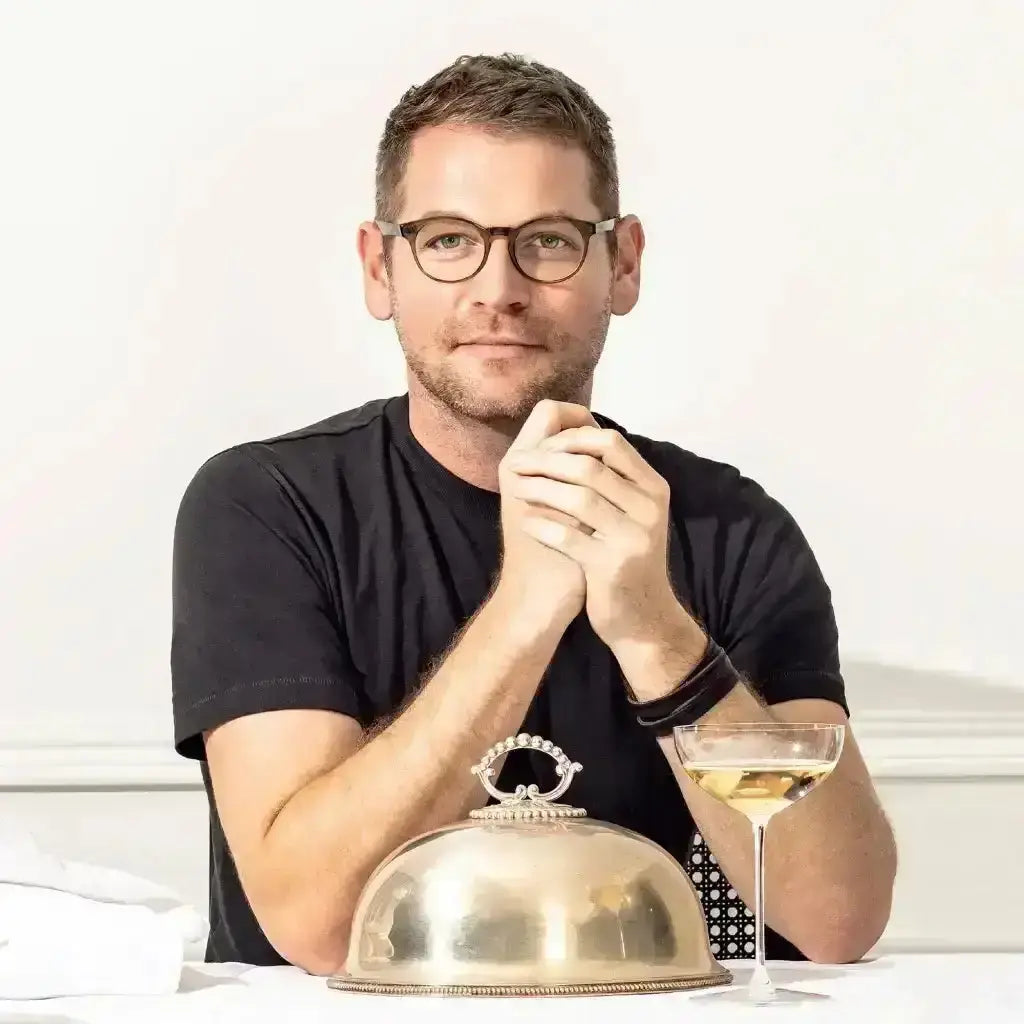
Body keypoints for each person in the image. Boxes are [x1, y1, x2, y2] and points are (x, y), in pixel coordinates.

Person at [170, 53, 897, 975]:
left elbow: (839, 920)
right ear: (380, 267)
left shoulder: (733, 530)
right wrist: (524, 607)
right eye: (447, 240)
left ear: (622, 264)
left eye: (549, 241)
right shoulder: (268, 508)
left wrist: (656, 633)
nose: (498, 288)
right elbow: (316, 925)